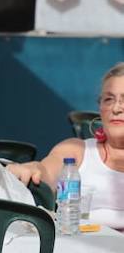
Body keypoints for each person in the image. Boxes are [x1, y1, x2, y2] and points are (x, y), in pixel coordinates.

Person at [9, 61, 124, 230]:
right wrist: (32, 168)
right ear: (99, 108)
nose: (116, 108)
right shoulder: (76, 151)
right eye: (108, 99)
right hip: (83, 249)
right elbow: (46, 171)